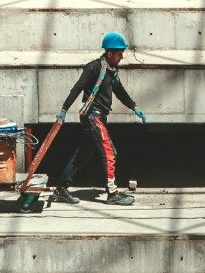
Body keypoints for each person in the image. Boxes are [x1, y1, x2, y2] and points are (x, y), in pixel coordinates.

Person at [50, 32, 145, 206]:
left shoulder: (112, 71)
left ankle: (61, 189)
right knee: (110, 153)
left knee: (84, 154)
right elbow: (77, 88)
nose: (121, 57)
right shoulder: (93, 68)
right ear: (109, 53)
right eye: (119, 54)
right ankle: (113, 194)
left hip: (99, 116)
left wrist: (134, 107)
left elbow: (120, 91)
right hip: (92, 116)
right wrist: (64, 109)